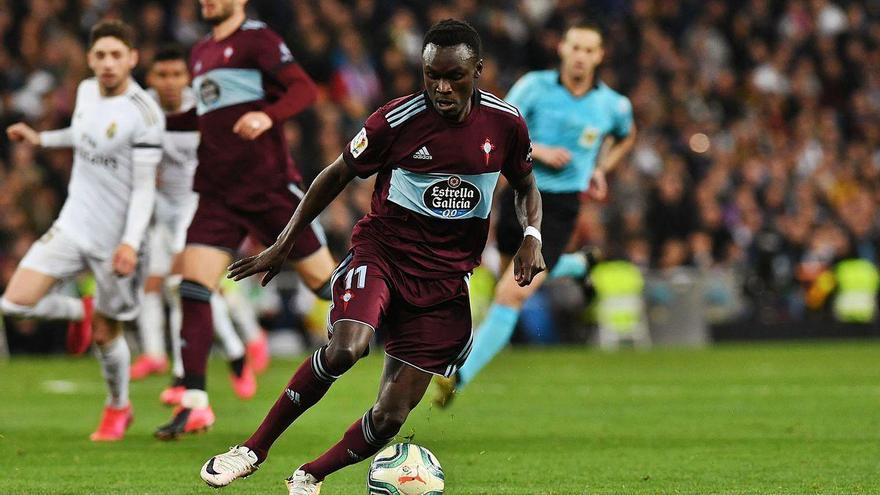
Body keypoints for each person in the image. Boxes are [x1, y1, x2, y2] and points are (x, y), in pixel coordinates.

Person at [198, 19, 544, 494]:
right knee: (347, 348)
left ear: (477, 71)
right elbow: (335, 174)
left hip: (445, 280)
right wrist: (283, 243)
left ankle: (310, 476)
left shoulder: (505, 123)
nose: (442, 88)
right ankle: (252, 450)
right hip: (383, 255)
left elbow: (526, 185)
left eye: (454, 77)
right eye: (432, 76)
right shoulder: (395, 121)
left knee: (390, 415)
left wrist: (532, 235)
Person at [154, 0, 336, 439]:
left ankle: (413, 322)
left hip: (267, 187)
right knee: (193, 288)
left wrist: (265, 115)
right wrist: (156, 123)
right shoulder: (200, 51)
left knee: (329, 286)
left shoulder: (258, 39)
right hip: (217, 193)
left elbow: (303, 90)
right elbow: (207, 116)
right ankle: (194, 403)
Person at [433, 20, 636, 407]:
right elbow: (497, 124)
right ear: (562, 49)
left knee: (511, 293)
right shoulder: (534, 87)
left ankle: (458, 377)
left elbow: (627, 135)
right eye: (575, 47)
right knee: (509, 277)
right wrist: (538, 150)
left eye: (588, 50)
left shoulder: (613, 105)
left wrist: (600, 168)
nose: (580, 56)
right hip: (518, 194)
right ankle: (578, 265)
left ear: (599, 56)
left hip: (557, 208)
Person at [1, 20, 163, 441]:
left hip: (117, 240)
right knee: (14, 302)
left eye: (116, 55)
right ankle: (79, 311)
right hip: (73, 223)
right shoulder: (86, 91)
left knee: (107, 333)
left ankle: (118, 406)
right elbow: (82, 134)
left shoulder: (145, 113)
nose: (108, 63)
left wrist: (130, 242)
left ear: (132, 58)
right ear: (90, 59)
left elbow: (145, 189)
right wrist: (40, 139)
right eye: (101, 55)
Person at [136, 45, 260, 402]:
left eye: (177, 75)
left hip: (195, 204)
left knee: (184, 286)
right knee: (161, 286)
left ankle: (183, 374)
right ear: (151, 78)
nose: (170, 82)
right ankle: (230, 354)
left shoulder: (205, 107)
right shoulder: (142, 109)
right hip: (160, 208)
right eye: (162, 75)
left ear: (188, 78)